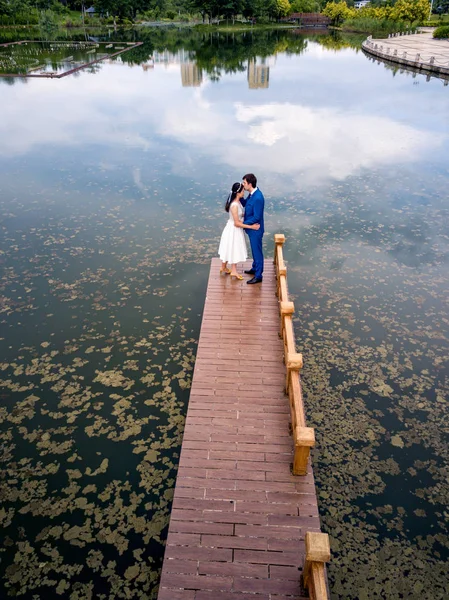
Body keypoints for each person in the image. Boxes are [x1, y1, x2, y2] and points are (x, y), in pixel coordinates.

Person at [218, 182, 260, 280]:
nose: (243, 193)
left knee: (229, 247)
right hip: (234, 230)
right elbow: (236, 223)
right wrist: (252, 227)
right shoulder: (234, 205)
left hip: (232, 228)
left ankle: (223, 267)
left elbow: (238, 215)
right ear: (238, 193)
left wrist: (245, 215)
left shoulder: (237, 203)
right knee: (234, 248)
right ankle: (233, 271)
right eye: (242, 191)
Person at [241, 173, 264, 284]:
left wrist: (243, 223)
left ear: (250, 184)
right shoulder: (251, 194)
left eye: (244, 183)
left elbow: (257, 217)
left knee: (257, 251)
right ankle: (254, 268)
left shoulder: (258, 197)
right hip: (251, 229)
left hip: (256, 230)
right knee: (254, 251)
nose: (243, 185)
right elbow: (246, 204)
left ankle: (258, 275)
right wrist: (238, 196)